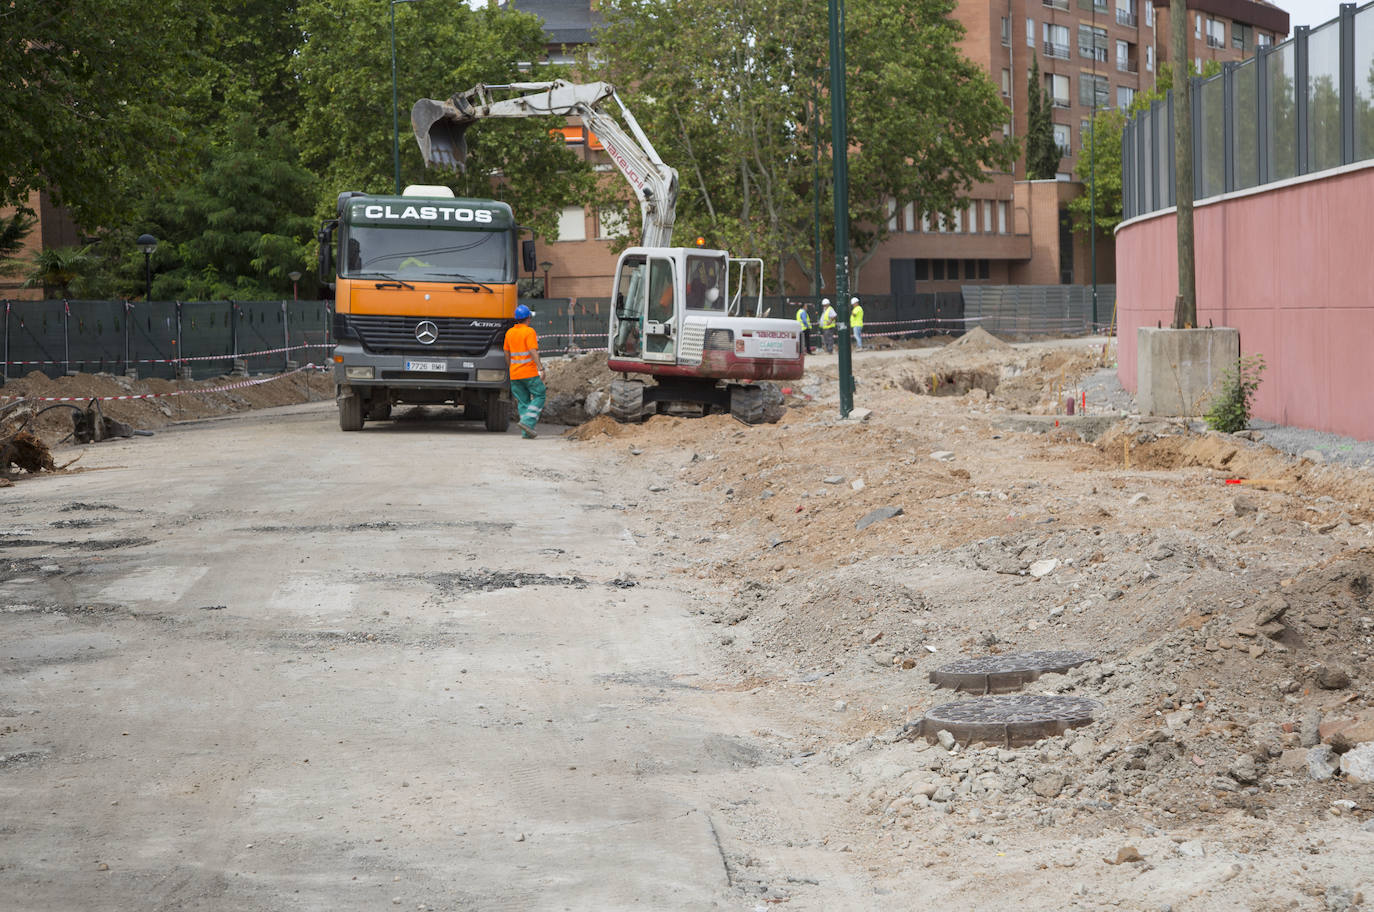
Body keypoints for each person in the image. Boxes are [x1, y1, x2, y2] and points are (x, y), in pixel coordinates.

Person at [504, 303, 545, 438]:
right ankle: (527, 422)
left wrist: (511, 367)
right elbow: (532, 350)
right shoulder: (529, 331)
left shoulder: (509, 333)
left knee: (523, 402)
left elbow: (506, 352)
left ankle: (526, 433)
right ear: (528, 318)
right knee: (540, 394)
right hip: (529, 373)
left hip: (515, 374)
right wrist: (541, 367)